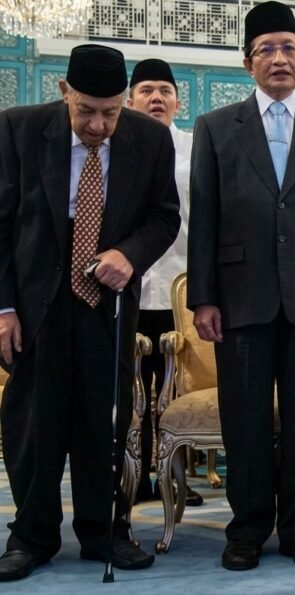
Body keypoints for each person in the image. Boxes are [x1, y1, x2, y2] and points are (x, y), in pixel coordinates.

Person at [187, 1, 295, 571]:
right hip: (240, 297)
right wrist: (203, 297)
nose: (279, 58)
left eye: (289, 49)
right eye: (267, 49)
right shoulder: (216, 128)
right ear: (248, 63)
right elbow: (205, 218)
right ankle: (247, 529)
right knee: (246, 420)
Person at [0, 44, 180, 581]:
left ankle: (106, 531)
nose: (99, 125)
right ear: (65, 93)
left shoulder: (150, 139)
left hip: (109, 302)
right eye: (87, 112)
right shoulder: (18, 129)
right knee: (36, 422)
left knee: (105, 420)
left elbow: (164, 216)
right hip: (37, 301)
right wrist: (4, 308)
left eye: (111, 112)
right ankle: (31, 536)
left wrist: (130, 254)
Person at [125, 58, 204, 506]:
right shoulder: (117, 147)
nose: (156, 98)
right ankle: (133, 476)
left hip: (181, 292)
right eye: (147, 90)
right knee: (132, 389)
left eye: (165, 91)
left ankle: (174, 477)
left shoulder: (195, 150)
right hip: (131, 289)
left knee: (175, 391)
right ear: (129, 100)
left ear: (178, 102)